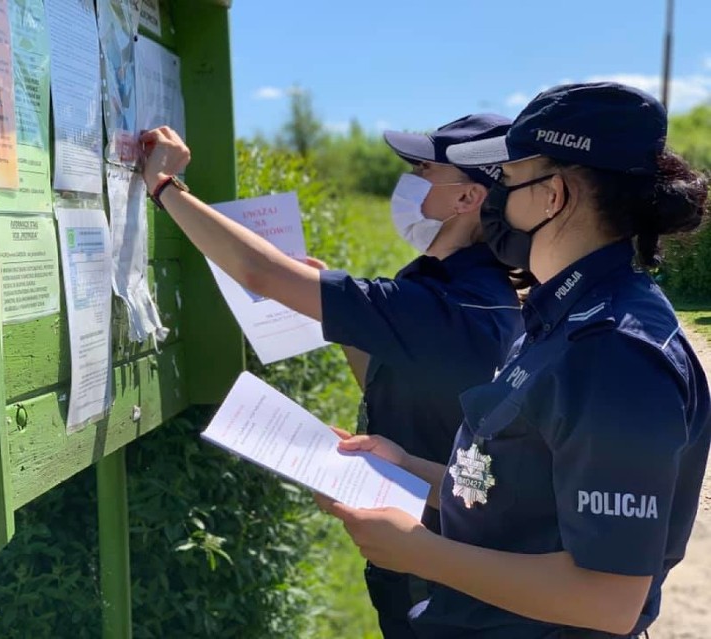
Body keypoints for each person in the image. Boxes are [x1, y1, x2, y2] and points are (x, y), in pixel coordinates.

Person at [316, 82, 711, 639]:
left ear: (554, 195)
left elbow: (608, 598)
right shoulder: (564, 313)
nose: (493, 200)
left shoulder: (614, 351)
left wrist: (420, 553)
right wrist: (405, 465)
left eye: (506, 179)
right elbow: (517, 491)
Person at [139, 115, 523, 637]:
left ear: (466, 199)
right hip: (439, 560)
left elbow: (260, 273)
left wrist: (165, 186)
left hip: (439, 576)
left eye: (423, 169)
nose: (408, 181)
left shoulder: (443, 302)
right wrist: (342, 323)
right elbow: (405, 391)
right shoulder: (475, 292)